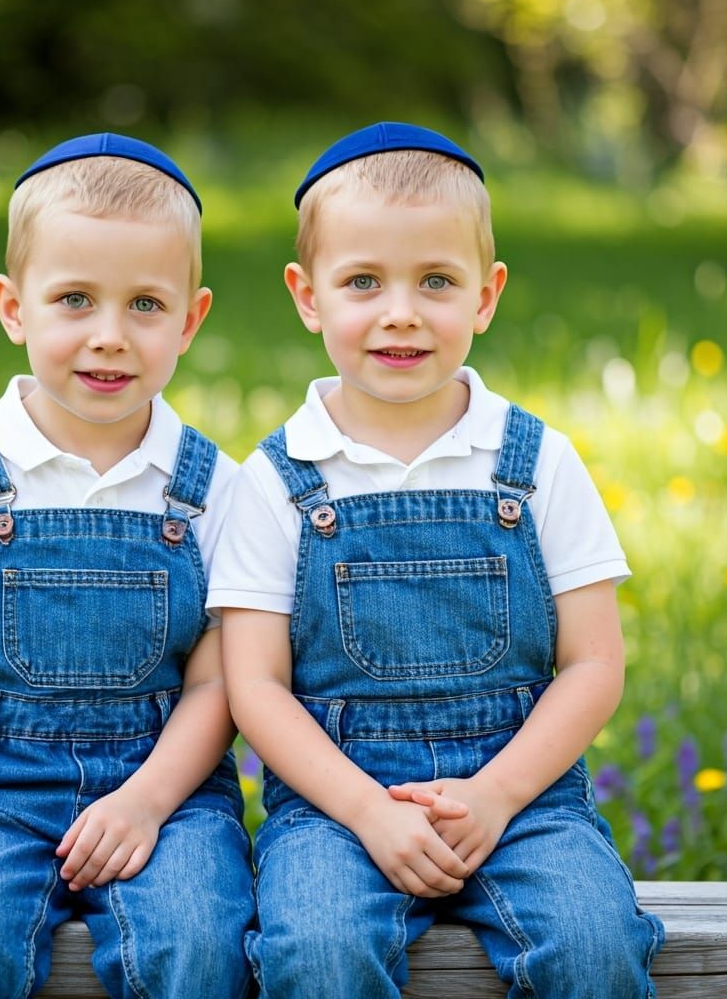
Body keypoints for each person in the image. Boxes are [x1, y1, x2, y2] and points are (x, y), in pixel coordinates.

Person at [210, 122, 665, 998]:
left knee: (594, 943)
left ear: (487, 295)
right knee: (318, 952)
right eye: (363, 282)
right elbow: (255, 686)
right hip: (337, 805)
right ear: (308, 296)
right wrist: (364, 810)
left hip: (524, 794)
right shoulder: (277, 478)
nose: (401, 312)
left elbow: (594, 661)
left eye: (437, 282)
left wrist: (496, 796)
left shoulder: (534, 462)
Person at [0, 132, 255, 999]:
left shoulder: (211, 489)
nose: (110, 338)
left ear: (191, 319)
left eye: (146, 306)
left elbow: (217, 684)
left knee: (201, 938)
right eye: (75, 300)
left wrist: (152, 799)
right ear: (14, 308)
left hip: (168, 789)